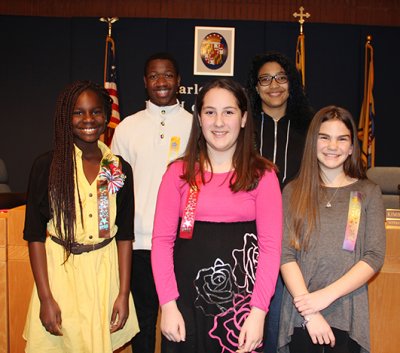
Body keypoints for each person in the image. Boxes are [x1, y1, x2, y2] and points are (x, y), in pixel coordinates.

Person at [151, 78, 282, 353]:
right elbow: (162, 243)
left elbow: (271, 250)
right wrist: (168, 305)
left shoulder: (264, 176)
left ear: (244, 118)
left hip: (242, 310)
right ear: (199, 119)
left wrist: (258, 313)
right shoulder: (177, 174)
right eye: (210, 112)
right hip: (183, 306)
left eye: (229, 112)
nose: (219, 122)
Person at [23, 80, 139, 353]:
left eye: (95, 111)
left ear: (106, 116)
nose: (88, 119)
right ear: (66, 117)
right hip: (60, 275)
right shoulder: (47, 166)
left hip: (104, 275)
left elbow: (124, 235)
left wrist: (122, 293)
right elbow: (34, 237)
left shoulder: (119, 167)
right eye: (78, 112)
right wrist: (45, 297)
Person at [278, 106, 386, 353]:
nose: (332, 146)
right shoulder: (293, 192)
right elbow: (285, 254)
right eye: (324, 137)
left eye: (342, 139)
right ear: (312, 142)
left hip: (347, 312)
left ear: (351, 147)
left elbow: (374, 256)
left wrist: (324, 297)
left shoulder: (368, 193)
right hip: (300, 314)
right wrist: (311, 312)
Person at [111, 52, 193, 353]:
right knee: (143, 324)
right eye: (155, 76)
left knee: (180, 324)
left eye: (168, 75)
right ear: (145, 82)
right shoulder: (126, 128)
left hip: (183, 243)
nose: (162, 82)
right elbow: (114, 186)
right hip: (139, 245)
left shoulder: (197, 125)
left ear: (179, 81)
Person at [246, 51, 314, 353]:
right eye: (265, 79)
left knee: (288, 321)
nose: (274, 85)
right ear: (255, 86)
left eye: (281, 77)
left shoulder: (310, 127)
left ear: (291, 83)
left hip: (299, 234)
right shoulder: (243, 126)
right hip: (250, 235)